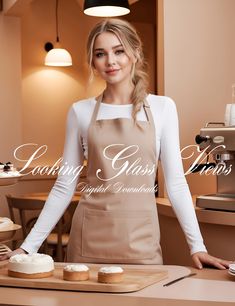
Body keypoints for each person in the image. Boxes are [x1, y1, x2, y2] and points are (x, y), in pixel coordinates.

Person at [0, 18, 231, 269]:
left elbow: (175, 183)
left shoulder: (163, 108)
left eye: (119, 51)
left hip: (141, 239)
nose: (110, 61)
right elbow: (64, 185)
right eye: (101, 54)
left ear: (135, 53)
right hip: (89, 238)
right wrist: (27, 246)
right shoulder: (81, 112)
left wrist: (197, 246)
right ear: (93, 61)